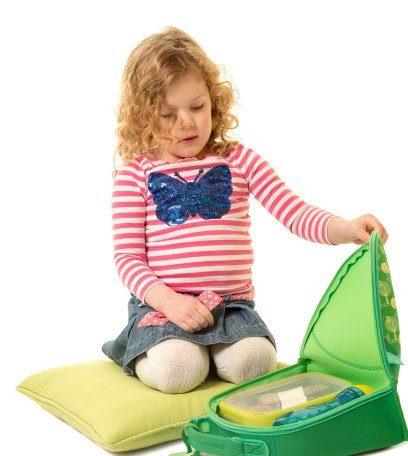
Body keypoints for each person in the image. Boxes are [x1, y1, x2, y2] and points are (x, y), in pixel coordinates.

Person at [102, 27, 388, 394]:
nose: (186, 122)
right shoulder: (135, 175)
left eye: (196, 107)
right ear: (143, 117)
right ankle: (154, 350)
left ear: (213, 100)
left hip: (232, 308)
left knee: (255, 362)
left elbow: (295, 212)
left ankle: (213, 355)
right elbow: (128, 259)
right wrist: (169, 301)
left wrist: (345, 228)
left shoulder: (239, 161)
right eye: (167, 114)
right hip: (163, 309)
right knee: (178, 369)